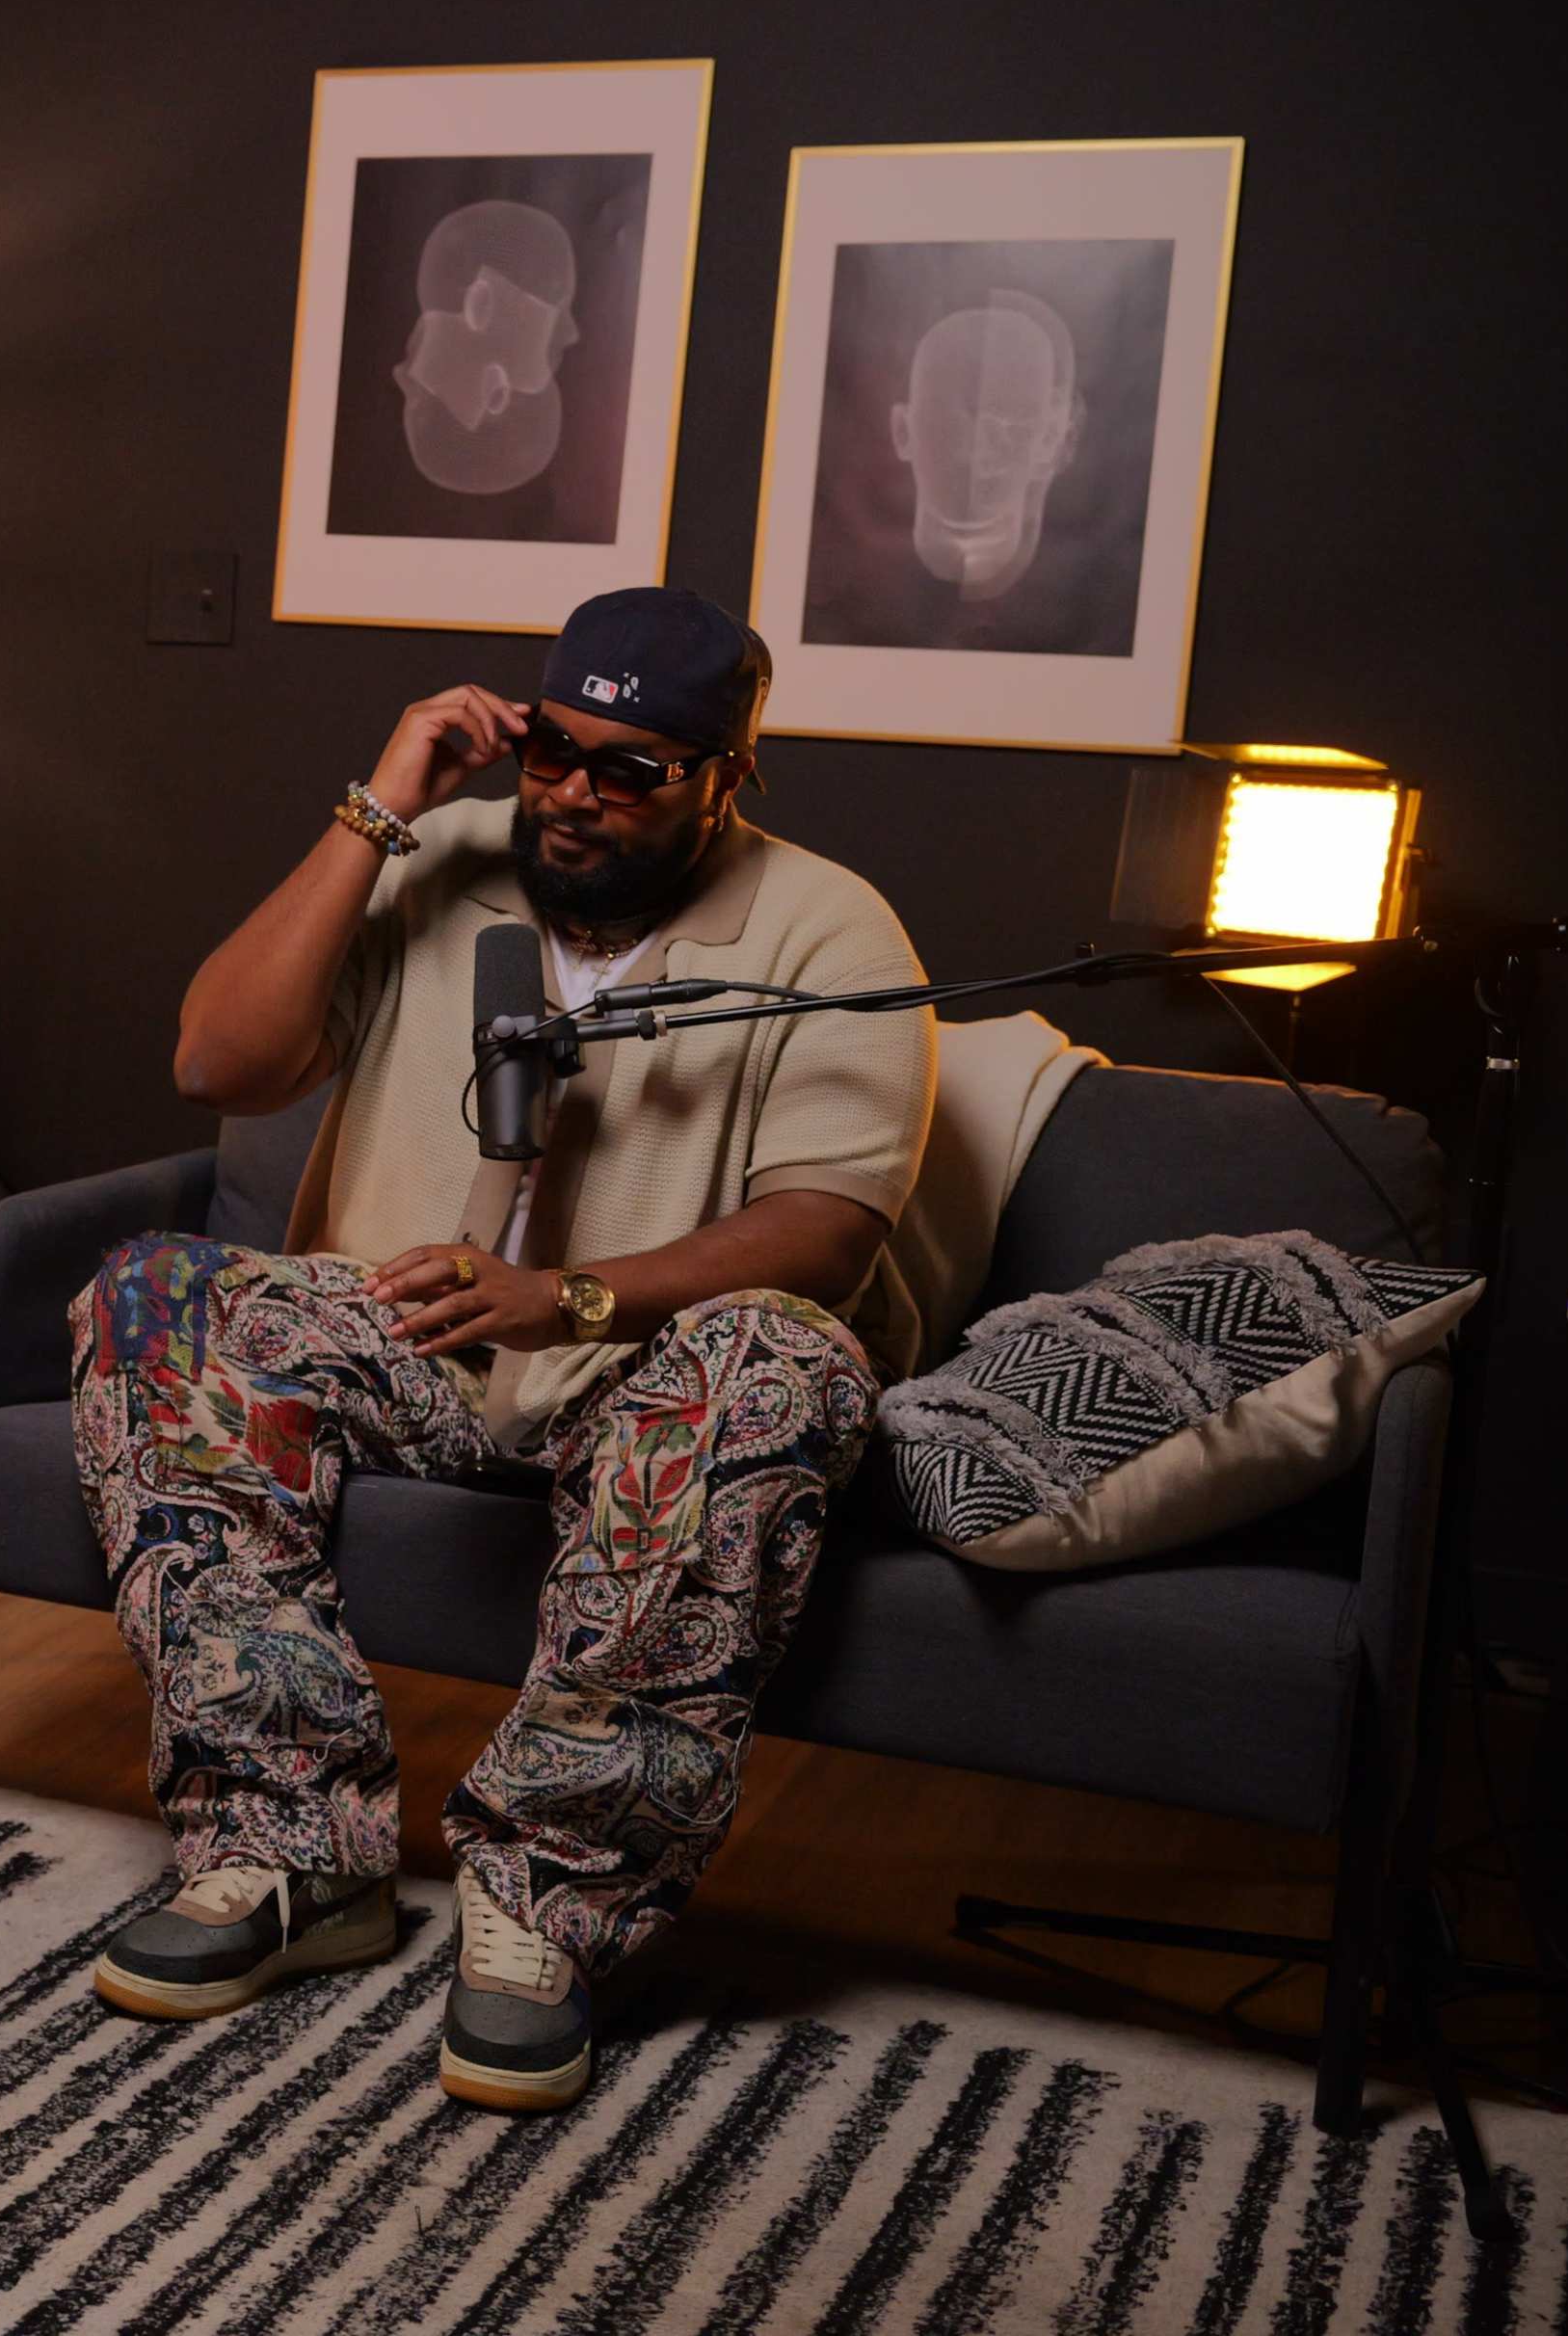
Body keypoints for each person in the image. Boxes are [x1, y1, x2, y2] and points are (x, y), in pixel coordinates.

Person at [78, 585, 933, 2114]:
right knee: (157, 1297)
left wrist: (576, 1296)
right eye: (552, 750)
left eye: (633, 769)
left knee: (778, 1366)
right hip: (420, 1337)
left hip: (645, 1362)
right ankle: (293, 1850)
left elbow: (829, 1225)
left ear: (726, 776)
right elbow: (221, 1057)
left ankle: (550, 1905)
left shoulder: (830, 923)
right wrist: (381, 805)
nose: (575, 795)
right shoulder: (440, 860)